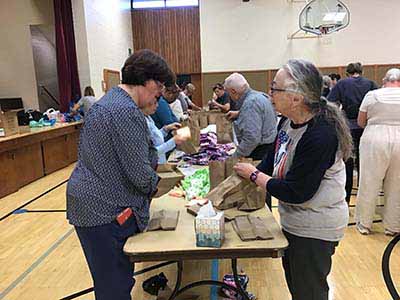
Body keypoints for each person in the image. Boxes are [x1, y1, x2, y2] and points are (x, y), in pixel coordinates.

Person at [234, 59, 352, 300]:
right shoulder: (289, 122)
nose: (270, 93)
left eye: (275, 88)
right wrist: (247, 174)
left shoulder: (321, 134)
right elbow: (273, 159)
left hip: (315, 227)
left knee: (309, 291)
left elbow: (297, 191)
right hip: (296, 221)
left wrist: (254, 175)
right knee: (298, 286)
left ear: (297, 97)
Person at [66, 49, 175, 300]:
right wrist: (157, 185)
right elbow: (140, 174)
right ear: (148, 82)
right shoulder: (125, 111)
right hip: (102, 210)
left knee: (113, 282)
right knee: (114, 287)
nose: (159, 96)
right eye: (159, 89)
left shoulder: (113, 101)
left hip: (92, 203)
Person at [355, 68, 400, 236]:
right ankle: (393, 226)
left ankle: (364, 224)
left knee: (369, 181)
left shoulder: (372, 95)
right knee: (397, 184)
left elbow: (361, 121)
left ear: (384, 80)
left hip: (375, 136)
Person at [328, 62, 378, 204]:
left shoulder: (342, 84)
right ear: (361, 72)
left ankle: (346, 200)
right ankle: (365, 202)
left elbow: (330, 103)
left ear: (347, 73)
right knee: (365, 165)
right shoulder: (370, 83)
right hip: (366, 128)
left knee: (347, 165)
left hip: (348, 128)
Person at [224, 72, 277, 160]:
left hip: (259, 152)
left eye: (228, 92)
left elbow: (251, 139)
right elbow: (261, 115)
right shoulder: (259, 96)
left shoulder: (250, 104)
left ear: (233, 91)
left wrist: (235, 157)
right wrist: (240, 113)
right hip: (268, 148)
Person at [142, 98, 188, 163]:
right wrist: (173, 141)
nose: (157, 105)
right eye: (155, 103)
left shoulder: (148, 118)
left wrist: (166, 129)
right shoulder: (142, 123)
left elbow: (155, 136)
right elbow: (152, 153)